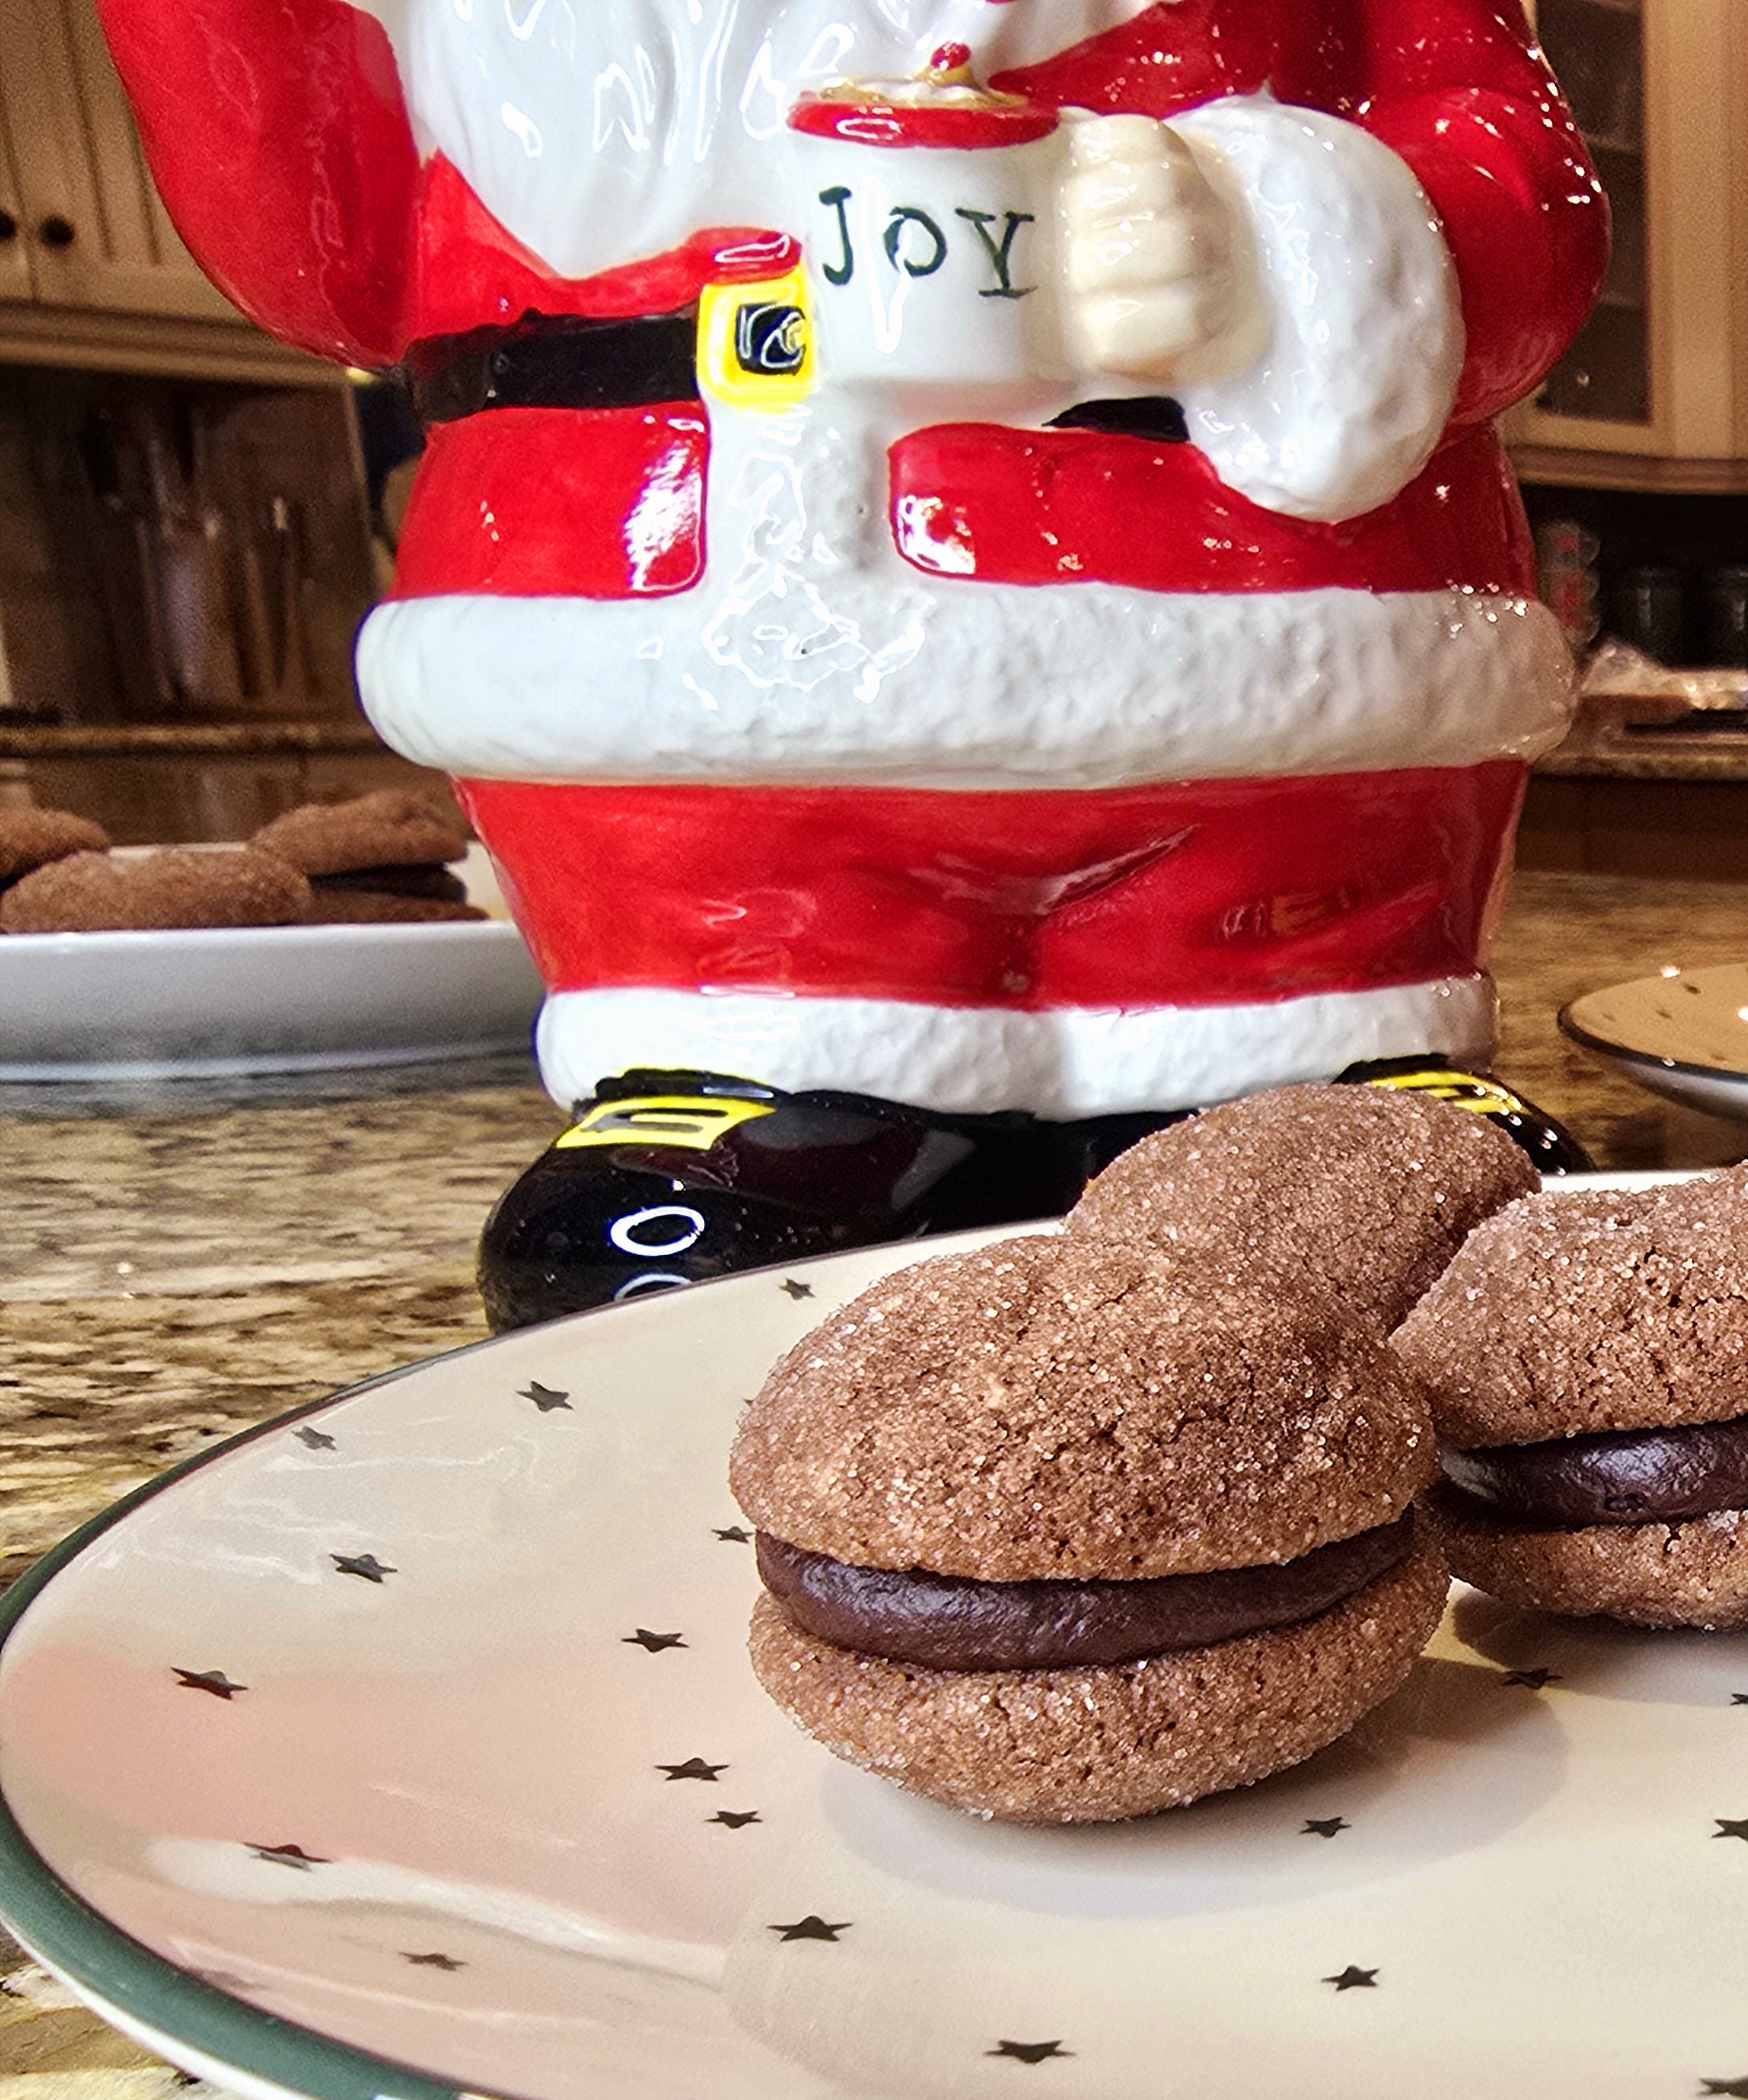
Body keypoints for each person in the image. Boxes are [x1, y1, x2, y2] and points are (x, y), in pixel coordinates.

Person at [100, 0, 1606, 1320]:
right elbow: (323, 256)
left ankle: (1310, 1072)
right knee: (712, 1208)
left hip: (1295, 715)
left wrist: (1274, 226)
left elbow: (1514, 184)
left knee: (1357, 1218)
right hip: (665, 673)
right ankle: (760, 1079)